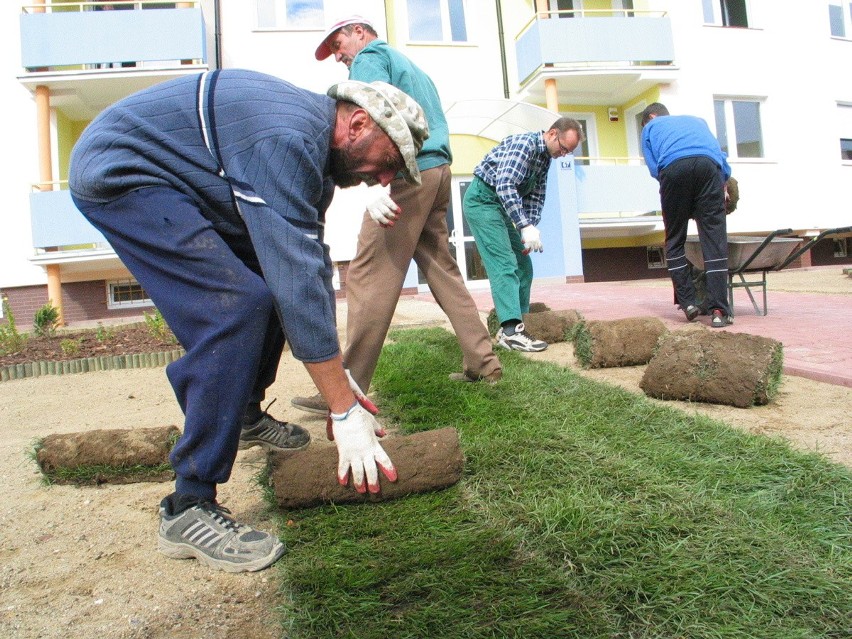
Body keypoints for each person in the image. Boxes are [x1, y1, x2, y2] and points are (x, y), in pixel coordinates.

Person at [68, 69, 429, 572]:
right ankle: (188, 506)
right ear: (358, 123)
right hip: (123, 174)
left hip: (184, 182)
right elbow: (295, 276)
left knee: (275, 285)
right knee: (235, 308)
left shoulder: (314, 160)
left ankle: (242, 415)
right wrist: (344, 413)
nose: (385, 178)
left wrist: (338, 382)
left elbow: (306, 268)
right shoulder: (285, 138)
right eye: (388, 162)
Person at [291, 15, 502, 416]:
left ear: (359, 32)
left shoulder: (369, 57)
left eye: (338, 45)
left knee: (370, 273)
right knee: (443, 269)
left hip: (406, 173)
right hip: (438, 171)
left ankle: (346, 386)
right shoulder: (413, 69)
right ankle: (485, 365)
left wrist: (378, 187)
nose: (339, 56)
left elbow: (366, 120)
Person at [462, 118, 583, 352]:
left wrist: (527, 229)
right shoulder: (523, 145)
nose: (563, 155)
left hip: (502, 208)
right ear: (552, 134)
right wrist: (524, 225)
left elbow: (536, 197)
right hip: (483, 202)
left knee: (523, 264)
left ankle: (520, 324)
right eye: (564, 148)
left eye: (568, 152)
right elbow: (505, 185)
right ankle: (511, 332)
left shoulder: (545, 158)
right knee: (504, 263)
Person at [640, 102, 733, 328]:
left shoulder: (649, 128)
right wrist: (722, 185)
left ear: (651, 116)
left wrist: (678, 196)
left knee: (674, 238)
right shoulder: (698, 122)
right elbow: (721, 161)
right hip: (709, 169)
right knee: (714, 241)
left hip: (673, 170)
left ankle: (688, 303)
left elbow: (655, 169)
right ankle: (719, 310)